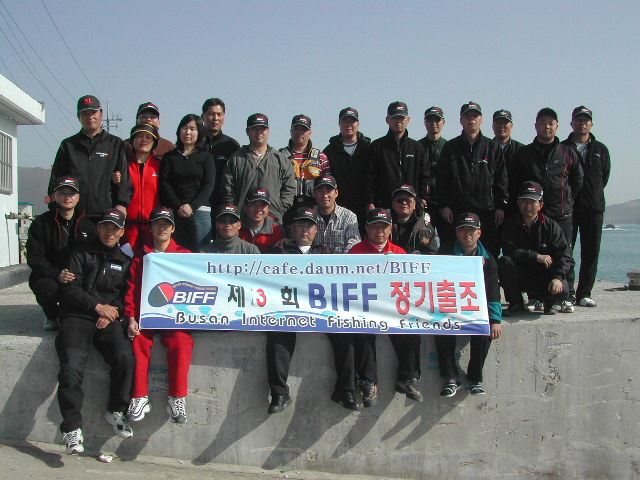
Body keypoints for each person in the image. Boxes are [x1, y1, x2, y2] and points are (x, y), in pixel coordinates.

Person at [56, 209, 134, 454]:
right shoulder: (80, 252)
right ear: (98, 228)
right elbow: (70, 288)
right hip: (77, 316)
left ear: (122, 232)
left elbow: (126, 296)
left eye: (115, 228)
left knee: (124, 357)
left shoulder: (125, 260)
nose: (109, 232)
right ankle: (71, 428)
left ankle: (116, 410)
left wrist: (114, 312)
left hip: (107, 320)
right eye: (105, 227)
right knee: (71, 367)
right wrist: (97, 307)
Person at [124, 207, 193, 424]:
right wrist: (131, 318)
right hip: (147, 315)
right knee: (138, 342)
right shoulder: (141, 256)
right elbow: (131, 290)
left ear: (173, 228)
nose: (162, 228)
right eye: (157, 224)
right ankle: (139, 397)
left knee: (181, 342)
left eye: (166, 224)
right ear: (151, 228)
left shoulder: (185, 256)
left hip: (174, 316)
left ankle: (177, 397)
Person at [512, 108, 583, 305]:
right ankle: (536, 296)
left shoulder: (568, 153)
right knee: (536, 255)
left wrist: (567, 201)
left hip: (561, 214)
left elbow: (577, 181)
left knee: (565, 254)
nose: (547, 126)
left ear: (557, 126)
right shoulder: (524, 154)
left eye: (551, 123)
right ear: (536, 126)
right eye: (543, 123)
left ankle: (567, 296)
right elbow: (515, 183)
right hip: (533, 216)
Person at [349, 209, 420, 404]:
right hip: (365, 308)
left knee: (411, 328)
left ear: (391, 229)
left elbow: (409, 284)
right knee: (361, 331)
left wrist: (394, 266)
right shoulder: (356, 252)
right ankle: (368, 382)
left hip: (393, 308)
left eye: (383, 227)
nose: (379, 231)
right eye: (374, 227)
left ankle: (409, 378)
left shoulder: (399, 252)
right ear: (366, 228)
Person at [265, 207, 331, 413]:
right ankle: (279, 394)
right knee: (277, 336)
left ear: (316, 230)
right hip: (288, 309)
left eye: (309, 225)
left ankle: (346, 390)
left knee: (346, 334)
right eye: (301, 224)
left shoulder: (325, 253)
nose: (305, 229)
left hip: (321, 311)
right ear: (293, 228)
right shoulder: (280, 250)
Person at [435, 213, 503, 397]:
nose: (467, 234)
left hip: (474, 309)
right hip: (450, 306)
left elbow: (493, 290)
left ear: (479, 233)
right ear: (456, 232)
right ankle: (450, 378)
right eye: (463, 230)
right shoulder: (444, 252)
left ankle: (475, 378)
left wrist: (496, 320)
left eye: (471, 230)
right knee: (440, 327)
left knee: (485, 329)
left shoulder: (489, 260)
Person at [437, 101, 508, 257]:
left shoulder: (492, 147)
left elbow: (501, 180)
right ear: (461, 120)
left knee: (489, 254)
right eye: (467, 116)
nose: (472, 119)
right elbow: (442, 179)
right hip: (457, 211)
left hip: (486, 212)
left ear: (481, 119)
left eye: (475, 116)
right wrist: (444, 205)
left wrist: (500, 206)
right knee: (453, 254)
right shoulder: (450, 147)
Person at [27, 176, 96, 331]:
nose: (67, 197)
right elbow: (34, 257)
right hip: (52, 275)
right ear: (54, 196)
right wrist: (57, 273)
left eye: (71, 193)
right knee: (46, 287)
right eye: (62, 193)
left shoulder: (88, 225)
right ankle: (51, 315)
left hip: (79, 276)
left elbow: (95, 256)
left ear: (78, 198)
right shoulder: (41, 223)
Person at [49, 95, 131, 220]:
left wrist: (122, 203)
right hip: (74, 215)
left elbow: (124, 177)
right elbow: (56, 178)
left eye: (93, 112)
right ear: (79, 117)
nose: (90, 117)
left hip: (106, 216)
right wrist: (54, 204)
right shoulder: (68, 145)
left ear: (101, 114)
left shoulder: (115, 144)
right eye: (85, 114)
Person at [499, 181, 573, 316]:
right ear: (518, 203)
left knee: (562, 288)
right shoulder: (510, 225)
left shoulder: (551, 226)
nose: (528, 206)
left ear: (541, 205)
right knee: (504, 262)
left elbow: (564, 255)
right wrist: (535, 256)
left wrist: (558, 277)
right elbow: (510, 251)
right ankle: (516, 303)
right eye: (524, 201)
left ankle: (550, 303)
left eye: (532, 202)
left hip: (546, 275)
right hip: (523, 274)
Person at [561, 106, 611, 308]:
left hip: (593, 209)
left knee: (591, 253)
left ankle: (584, 293)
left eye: (585, 120)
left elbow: (604, 177)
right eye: (578, 120)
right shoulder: (562, 148)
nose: (582, 123)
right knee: (565, 252)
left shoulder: (601, 150)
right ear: (571, 123)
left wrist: (592, 194)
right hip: (568, 208)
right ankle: (568, 293)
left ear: (591, 124)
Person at [222, 113, 296, 223]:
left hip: (273, 221)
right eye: (254, 129)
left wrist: (280, 209)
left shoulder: (280, 160)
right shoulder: (236, 159)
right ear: (247, 131)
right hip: (242, 221)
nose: (259, 132)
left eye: (262, 129)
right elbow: (228, 189)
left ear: (268, 131)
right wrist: (234, 210)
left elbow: (289, 189)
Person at [160, 114, 216, 252]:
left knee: (201, 253)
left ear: (199, 132)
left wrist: (192, 206)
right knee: (175, 252)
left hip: (200, 210)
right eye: (185, 128)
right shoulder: (169, 157)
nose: (188, 132)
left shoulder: (206, 156)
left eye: (192, 129)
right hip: (175, 212)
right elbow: (164, 183)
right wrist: (178, 206)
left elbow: (209, 184)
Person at [364, 101, 429, 210]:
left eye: (401, 118)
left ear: (408, 120)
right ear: (387, 120)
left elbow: (425, 177)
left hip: (410, 207)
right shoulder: (376, 147)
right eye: (394, 118)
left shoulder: (417, 148)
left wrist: (423, 200)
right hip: (383, 206)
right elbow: (368, 178)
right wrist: (369, 202)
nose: (398, 121)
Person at [323, 107, 371, 229]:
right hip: (338, 210)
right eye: (344, 121)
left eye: (352, 121)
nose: (348, 124)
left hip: (364, 208)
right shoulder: (329, 151)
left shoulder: (369, 149)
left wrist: (371, 202)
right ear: (339, 124)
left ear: (358, 124)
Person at [280, 114, 330, 226]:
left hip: (314, 208)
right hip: (287, 208)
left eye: (303, 129)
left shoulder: (321, 157)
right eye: (296, 129)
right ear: (291, 131)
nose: (299, 133)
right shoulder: (280, 156)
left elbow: (327, 188)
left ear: (310, 133)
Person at [120, 123, 162, 251]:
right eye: (139, 136)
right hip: (129, 226)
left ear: (154, 142)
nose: (143, 140)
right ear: (133, 140)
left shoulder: (160, 165)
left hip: (153, 226)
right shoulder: (123, 164)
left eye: (148, 137)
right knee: (128, 259)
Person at [201, 98, 240, 206]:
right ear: (203, 117)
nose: (215, 118)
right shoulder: (195, 143)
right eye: (211, 114)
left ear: (224, 117)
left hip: (224, 204)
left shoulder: (232, 145)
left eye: (219, 114)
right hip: (198, 205)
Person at [418, 106, 448, 241]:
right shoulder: (417, 146)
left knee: (447, 242)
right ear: (425, 123)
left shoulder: (449, 147)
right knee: (424, 241)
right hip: (424, 203)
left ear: (443, 122)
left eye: (437, 120)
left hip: (444, 204)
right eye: (430, 120)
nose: (433, 123)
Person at [312, 175, 361, 254]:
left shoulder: (349, 217)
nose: (325, 195)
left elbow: (353, 247)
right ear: (314, 193)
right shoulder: (308, 217)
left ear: (336, 193)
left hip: (342, 261)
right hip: (313, 261)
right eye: (320, 191)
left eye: (328, 191)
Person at [492, 109, 524, 219]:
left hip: (515, 208)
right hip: (491, 207)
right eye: (498, 123)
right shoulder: (485, 149)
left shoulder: (522, 151)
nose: (501, 126)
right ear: (493, 126)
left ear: (512, 126)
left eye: (505, 123)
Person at [390, 184, 438, 254]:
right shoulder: (385, 221)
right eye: (399, 200)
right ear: (393, 204)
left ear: (415, 204)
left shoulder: (424, 223)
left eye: (408, 200)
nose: (404, 203)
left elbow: (432, 252)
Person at [238, 188, 285, 253]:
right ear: (245, 206)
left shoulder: (277, 229)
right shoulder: (236, 226)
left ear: (268, 208)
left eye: (263, 205)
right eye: (254, 204)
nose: (258, 209)